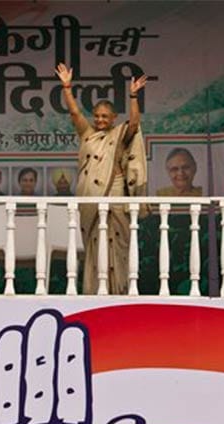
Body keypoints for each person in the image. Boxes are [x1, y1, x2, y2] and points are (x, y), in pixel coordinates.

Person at [55, 62, 148, 295]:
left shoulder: (120, 134)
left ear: (114, 118)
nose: (100, 120)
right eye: (96, 116)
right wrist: (66, 87)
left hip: (115, 195)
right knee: (95, 247)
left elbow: (135, 124)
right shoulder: (88, 134)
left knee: (117, 245)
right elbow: (75, 113)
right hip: (91, 200)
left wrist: (133, 95)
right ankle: (94, 290)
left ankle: (119, 291)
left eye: (105, 116)